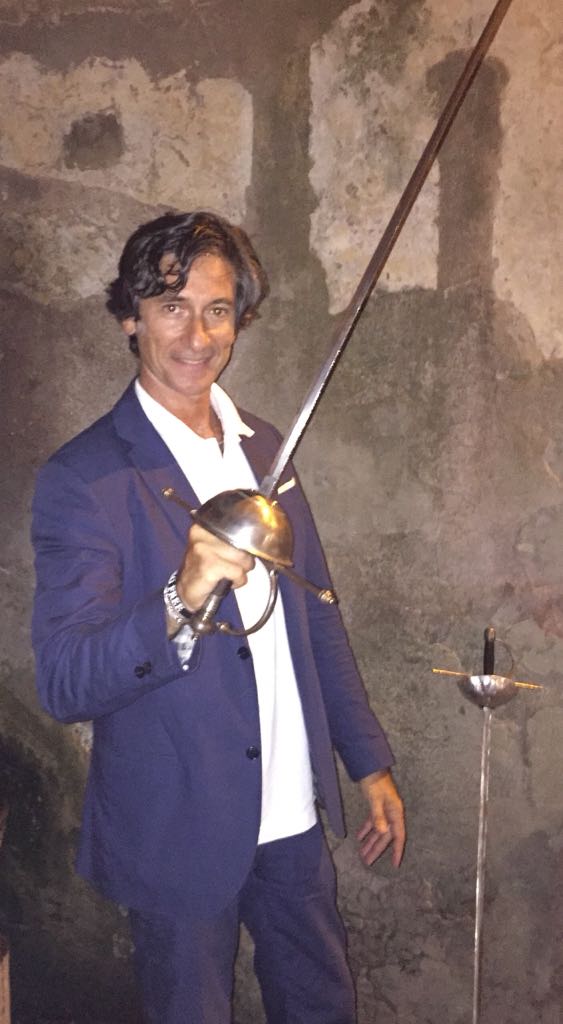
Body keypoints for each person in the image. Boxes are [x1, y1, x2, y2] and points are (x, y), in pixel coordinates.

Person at [32, 210, 405, 1024]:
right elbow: (64, 682)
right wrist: (181, 593)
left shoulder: (264, 450)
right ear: (130, 317)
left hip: (289, 814)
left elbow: (317, 617)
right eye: (171, 307)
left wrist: (367, 763)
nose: (197, 335)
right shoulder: (85, 478)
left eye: (217, 309)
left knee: (321, 1006)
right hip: (176, 824)